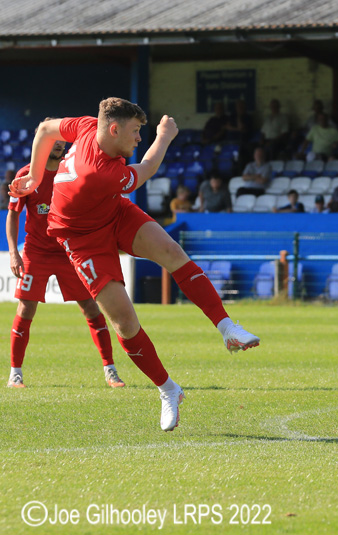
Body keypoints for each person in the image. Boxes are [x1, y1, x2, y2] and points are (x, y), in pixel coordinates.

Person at [10, 97, 260, 431]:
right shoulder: (100, 172)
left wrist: (34, 177)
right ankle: (168, 390)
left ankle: (228, 328)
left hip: (113, 212)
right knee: (125, 323)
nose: (139, 138)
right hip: (81, 240)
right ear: (113, 129)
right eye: (136, 131)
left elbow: (44, 129)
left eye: (143, 131)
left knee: (173, 253)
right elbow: (147, 169)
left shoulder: (86, 125)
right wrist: (165, 136)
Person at [6, 135, 123, 389]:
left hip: (69, 251)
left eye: (62, 141)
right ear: (42, 142)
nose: (59, 144)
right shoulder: (27, 174)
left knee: (91, 308)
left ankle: (110, 370)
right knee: (26, 309)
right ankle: (15, 373)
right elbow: (13, 216)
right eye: (54, 140)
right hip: (36, 253)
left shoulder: (71, 170)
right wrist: (14, 252)